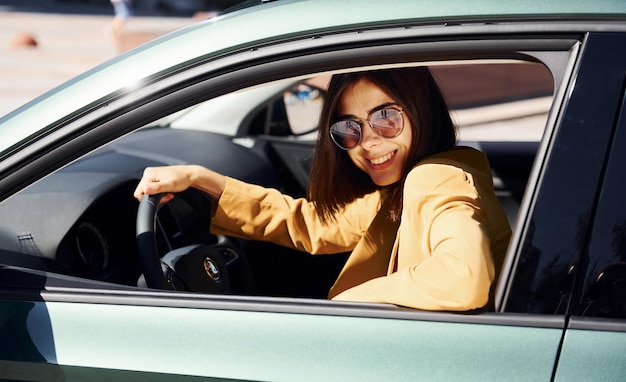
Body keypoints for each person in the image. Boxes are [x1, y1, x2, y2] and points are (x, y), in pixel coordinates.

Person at [133, 67, 512, 311]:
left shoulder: (433, 177)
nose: (368, 141)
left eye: (386, 117)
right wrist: (202, 179)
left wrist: (348, 303)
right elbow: (312, 224)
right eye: (350, 128)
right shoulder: (402, 189)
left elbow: (464, 277)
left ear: (421, 111)